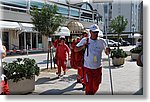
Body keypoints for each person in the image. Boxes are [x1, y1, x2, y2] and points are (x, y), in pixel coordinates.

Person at [74, 24, 110, 95]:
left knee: (96, 85)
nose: (96, 34)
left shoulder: (102, 41)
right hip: (88, 68)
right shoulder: (85, 40)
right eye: (94, 32)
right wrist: (84, 46)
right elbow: (75, 49)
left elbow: (107, 52)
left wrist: (108, 51)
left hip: (98, 68)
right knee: (89, 86)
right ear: (90, 32)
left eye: (97, 32)